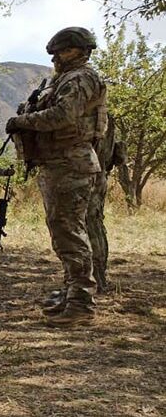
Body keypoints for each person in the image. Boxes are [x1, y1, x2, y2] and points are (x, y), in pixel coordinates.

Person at [6, 26, 107, 327]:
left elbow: (63, 116)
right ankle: (72, 294)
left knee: (70, 234)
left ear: (75, 50)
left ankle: (81, 305)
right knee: (63, 233)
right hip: (59, 164)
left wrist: (21, 120)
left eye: (60, 52)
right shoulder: (65, 78)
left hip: (70, 164)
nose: (56, 58)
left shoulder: (80, 78)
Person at [87, 113, 125, 293]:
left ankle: (96, 278)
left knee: (90, 226)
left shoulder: (89, 116)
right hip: (101, 177)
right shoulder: (107, 118)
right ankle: (100, 275)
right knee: (97, 225)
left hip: (89, 178)